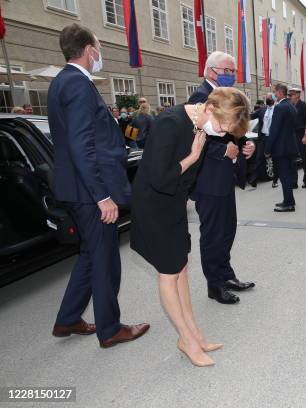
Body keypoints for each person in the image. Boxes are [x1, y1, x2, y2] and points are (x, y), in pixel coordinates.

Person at [131, 87, 249, 366]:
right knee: (169, 273)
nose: (222, 134)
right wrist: (193, 157)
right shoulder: (170, 123)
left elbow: (189, 179)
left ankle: (194, 334)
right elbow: (160, 178)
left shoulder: (202, 125)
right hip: (153, 205)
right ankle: (186, 339)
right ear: (209, 108)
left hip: (174, 203)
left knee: (182, 267)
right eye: (222, 127)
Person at [48, 23, 149, 347]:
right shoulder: (77, 85)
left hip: (77, 189)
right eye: (99, 48)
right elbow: (81, 146)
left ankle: (67, 319)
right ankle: (110, 329)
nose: (99, 54)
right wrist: (102, 196)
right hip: (90, 191)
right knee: (105, 258)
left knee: (91, 255)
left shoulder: (61, 82)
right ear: (90, 51)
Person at [188, 51, 256, 305]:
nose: (231, 75)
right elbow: (195, 138)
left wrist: (247, 145)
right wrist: (222, 151)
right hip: (209, 179)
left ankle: (226, 275)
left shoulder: (228, 96)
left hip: (224, 177)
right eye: (227, 71)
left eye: (233, 71)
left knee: (226, 231)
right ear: (211, 70)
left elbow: (233, 132)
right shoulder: (200, 97)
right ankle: (214, 285)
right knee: (213, 234)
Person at [266, 83, 298, 212]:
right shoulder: (291, 106)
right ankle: (289, 200)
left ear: (280, 92)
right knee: (288, 175)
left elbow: (274, 130)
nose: (274, 94)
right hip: (290, 146)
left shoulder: (280, 107)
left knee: (284, 176)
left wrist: (267, 149)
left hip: (281, 148)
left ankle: (289, 204)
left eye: (274, 92)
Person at [289, 87, 306, 188]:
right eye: (289, 95)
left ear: (298, 95)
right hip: (292, 134)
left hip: (302, 133)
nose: (290, 96)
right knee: (293, 159)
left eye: (292, 94)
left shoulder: (303, 105)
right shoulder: (290, 105)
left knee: (304, 159)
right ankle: (294, 181)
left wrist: (305, 136)